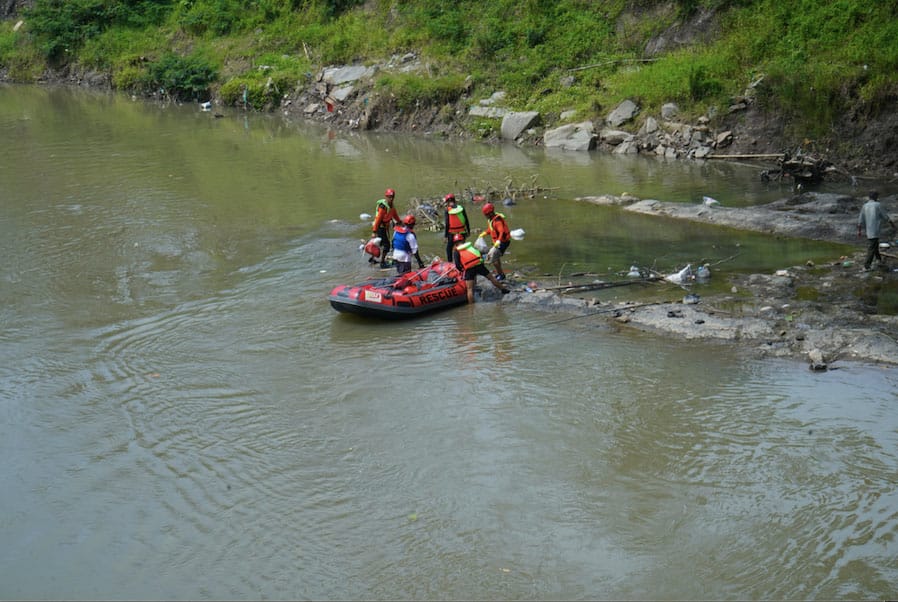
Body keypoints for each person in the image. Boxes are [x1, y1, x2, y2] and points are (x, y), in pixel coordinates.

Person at [453, 233, 510, 303]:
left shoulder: (456, 251)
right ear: (463, 240)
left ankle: (471, 306)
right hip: (479, 265)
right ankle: (503, 289)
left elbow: (457, 265)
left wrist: (462, 270)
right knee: (492, 278)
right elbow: (478, 254)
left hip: (469, 268)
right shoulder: (470, 246)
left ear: (455, 243)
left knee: (469, 289)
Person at [857, 190, 895, 271]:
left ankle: (879, 260)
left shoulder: (865, 206)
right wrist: (893, 225)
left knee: (875, 245)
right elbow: (886, 217)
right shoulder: (878, 205)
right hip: (875, 230)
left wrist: (859, 231)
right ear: (876, 197)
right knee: (871, 248)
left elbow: (860, 220)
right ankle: (866, 266)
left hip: (869, 230)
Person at [478, 202, 512, 281]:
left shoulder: (498, 221)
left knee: (494, 259)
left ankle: (501, 275)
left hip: (503, 242)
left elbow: (501, 232)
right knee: (496, 258)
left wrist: (498, 241)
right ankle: (500, 273)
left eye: (486, 214)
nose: (485, 216)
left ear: (490, 213)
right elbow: (491, 229)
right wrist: (485, 233)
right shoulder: (491, 220)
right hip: (498, 242)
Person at [371, 188, 401, 268]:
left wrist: (399, 221)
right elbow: (378, 219)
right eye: (389, 197)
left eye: (392, 197)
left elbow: (394, 214)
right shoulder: (383, 207)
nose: (391, 198)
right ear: (386, 197)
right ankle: (382, 262)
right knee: (386, 245)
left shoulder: (391, 205)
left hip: (384, 226)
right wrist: (374, 231)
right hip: (380, 227)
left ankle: (372, 259)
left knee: (379, 244)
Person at [443, 193, 470, 261]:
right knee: (462, 248)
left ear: (447, 202)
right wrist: (468, 231)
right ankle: (465, 261)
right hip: (462, 232)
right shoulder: (461, 208)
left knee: (449, 249)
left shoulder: (447, 210)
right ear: (454, 200)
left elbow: (447, 224)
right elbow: (466, 220)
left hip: (452, 233)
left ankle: (450, 263)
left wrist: (445, 236)